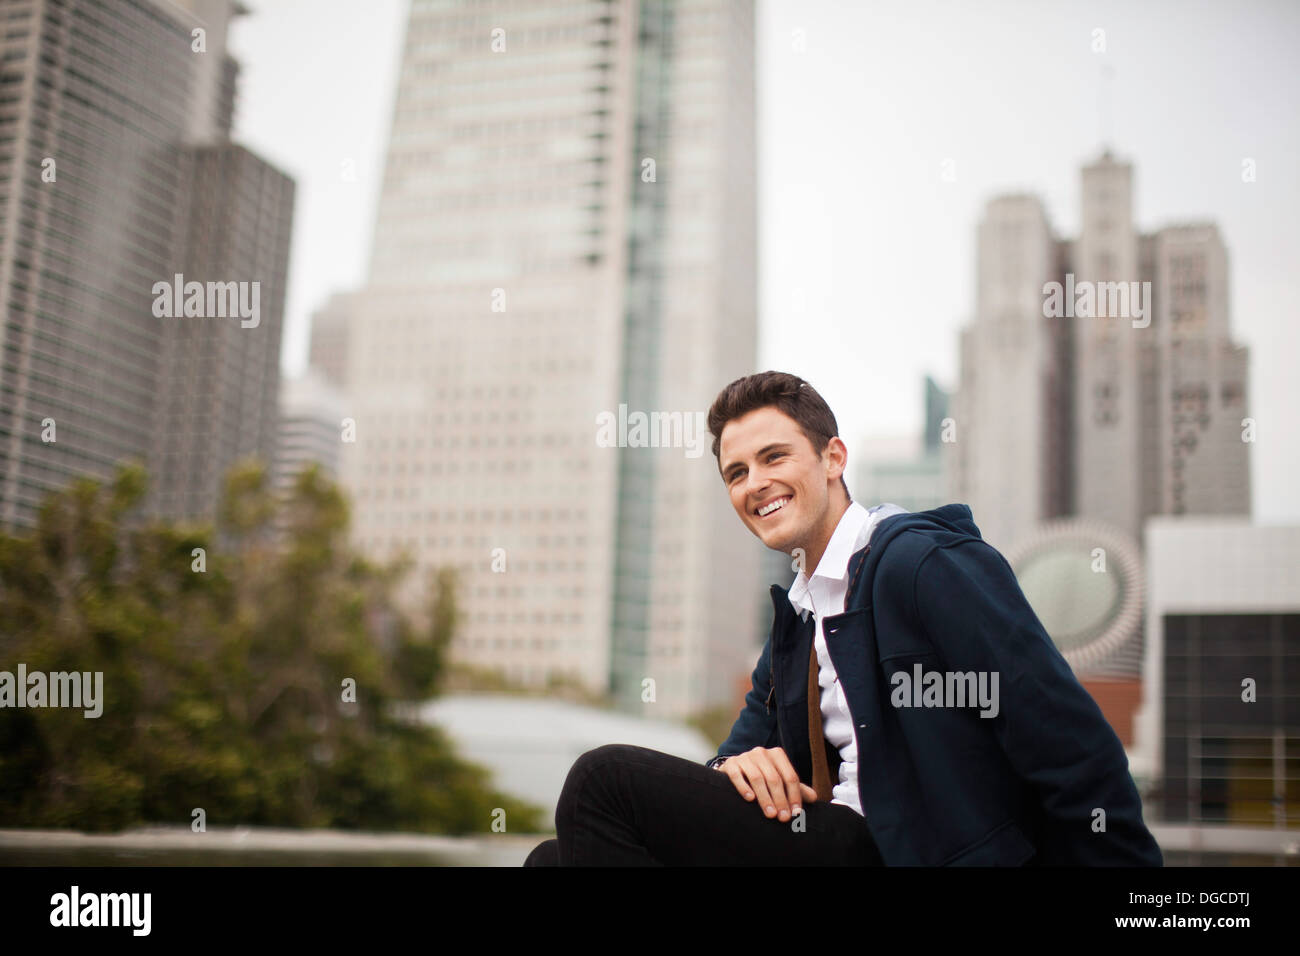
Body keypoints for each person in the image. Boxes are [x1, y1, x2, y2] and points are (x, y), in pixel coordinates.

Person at [524, 371, 1162, 866]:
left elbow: (1068, 741)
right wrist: (732, 769)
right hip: (826, 841)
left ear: (833, 458)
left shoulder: (918, 564)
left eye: (775, 457)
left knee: (600, 783)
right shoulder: (798, 615)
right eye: (736, 472)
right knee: (553, 859)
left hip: (908, 854)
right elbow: (737, 752)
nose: (755, 484)